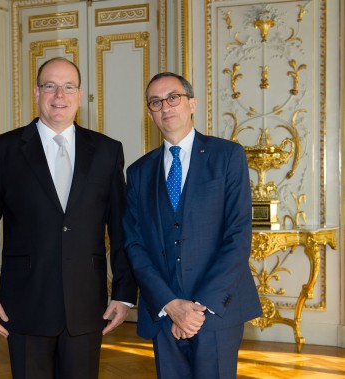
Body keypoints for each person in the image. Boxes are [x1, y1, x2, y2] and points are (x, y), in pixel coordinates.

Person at [0, 57, 137, 378]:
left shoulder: (107, 151)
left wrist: (123, 292)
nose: (58, 95)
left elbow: (122, 228)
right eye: (50, 86)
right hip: (23, 302)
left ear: (79, 95)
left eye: (68, 87)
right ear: (36, 93)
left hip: (87, 302)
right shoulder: (2, 150)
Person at [122, 72, 262, 378]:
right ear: (150, 113)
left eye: (174, 97)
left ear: (192, 103)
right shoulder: (138, 172)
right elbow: (135, 245)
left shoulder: (227, 155)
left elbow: (238, 236)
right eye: (156, 102)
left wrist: (198, 308)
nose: (165, 107)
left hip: (215, 311)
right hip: (163, 313)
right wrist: (170, 304)